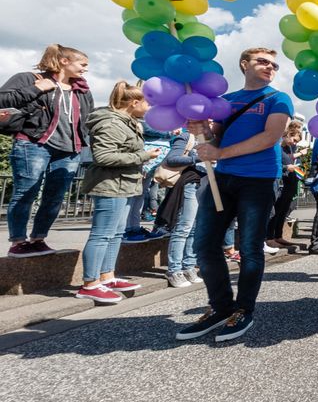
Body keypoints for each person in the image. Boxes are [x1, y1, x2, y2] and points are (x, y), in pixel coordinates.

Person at [176, 47, 292, 342]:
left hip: (259, 179)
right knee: (205, 245)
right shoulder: (225, 101)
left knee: (250, 248)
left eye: (274, 65)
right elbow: (215, 138)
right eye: (262, 62)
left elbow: (270, 137)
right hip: (223, 178)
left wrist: (221, 151)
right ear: (244, 65)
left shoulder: (278, 99)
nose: (270, 68)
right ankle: (220, 308)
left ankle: (244, 309)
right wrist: (200, 130)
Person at [1, 44, 94, 258]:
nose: (85, 69)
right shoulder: (29, 78)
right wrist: (37, 89)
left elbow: (88, 120)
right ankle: (18, 242)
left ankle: (38, 239)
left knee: (55, 197)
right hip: (33, 143)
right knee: (26, 192)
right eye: (82, 64)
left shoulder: (82, 89)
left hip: (70, 149)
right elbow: (3, 99)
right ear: (64, 61)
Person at [75, 81, 154, 303]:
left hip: (124, 184)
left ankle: (107, 276)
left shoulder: (127, 122)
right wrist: (143, 157)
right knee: (102, 234)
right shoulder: (111, 123)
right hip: (110, 185)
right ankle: (90, 283)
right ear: (135, 102)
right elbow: (103, 157)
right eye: (147, 103)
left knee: (116, 233)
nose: (149, 108)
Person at [156, 129, 206, 288]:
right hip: (191, 184)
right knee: (184, 227)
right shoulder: (187, 137)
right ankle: (174, 270)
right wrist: (198, 157)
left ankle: (189, 266)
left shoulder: (214, 140)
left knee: (194, 229)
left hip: (205, 185)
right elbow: (172, 159)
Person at [266, 122, 304, 251]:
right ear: (287, 135)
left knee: (283, 211)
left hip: (290, 183)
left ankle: (278, 236)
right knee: (275, 211)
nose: (294, 143)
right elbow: (276, 163)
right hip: (281, 183)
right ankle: (270, 238)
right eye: (294, 140)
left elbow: (290, 159)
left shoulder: (289, 148)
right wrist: (287, 167)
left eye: (296, 142)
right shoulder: (278, 147)